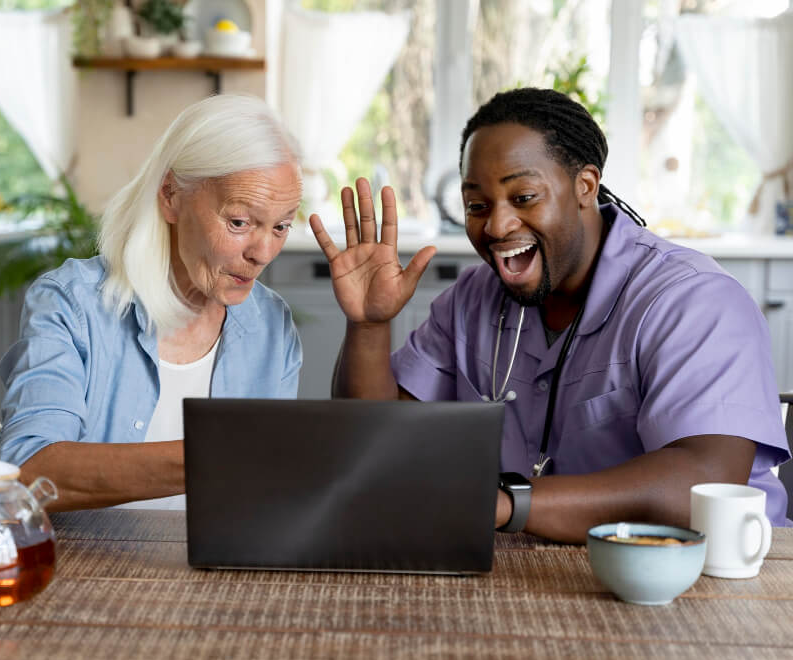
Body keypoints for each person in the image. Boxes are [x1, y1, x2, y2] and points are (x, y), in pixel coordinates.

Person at [309, 87, 791, 543]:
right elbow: (375, 441)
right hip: (531, 568)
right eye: (477, 205)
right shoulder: (473, 298)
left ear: (585, 185)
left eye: (523, 198)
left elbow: (701, 483)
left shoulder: (691, 301)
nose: (496, 225)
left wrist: (505, 504)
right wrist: (368, 326)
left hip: (717, 577)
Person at [0, 94, 304, 511]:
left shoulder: (270, 323)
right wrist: (226, 454)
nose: (263, 252)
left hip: (220, 569)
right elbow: (29, 471)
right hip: (87, 569)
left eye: (281, 226)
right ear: (171, 195)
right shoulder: (72, 304)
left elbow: (268, 497)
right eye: (239, 222)